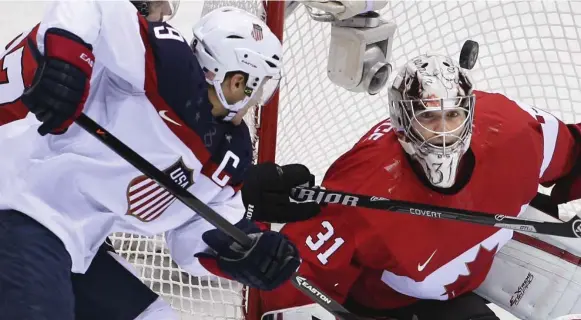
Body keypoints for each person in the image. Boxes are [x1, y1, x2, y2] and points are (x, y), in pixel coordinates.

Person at [0, 1, 305, 319]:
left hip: (75, 239)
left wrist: (242, 251)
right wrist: (68, 64)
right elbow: (97, 5)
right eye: (261, 87)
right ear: (238, 81)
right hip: (21, 206)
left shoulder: (230, 150)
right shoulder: (167, 67)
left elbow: (197, 224)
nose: (258, 99)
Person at [241, 53, 581, 320]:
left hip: (478, 272)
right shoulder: (360, 189)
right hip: (393, 307)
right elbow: (291, 281)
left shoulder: (514, 131)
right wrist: (248, 219)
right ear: (403, 120)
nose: (444, 133)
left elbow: (573, 153)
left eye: (453, 115)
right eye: (428, 118)